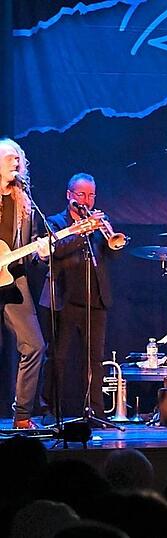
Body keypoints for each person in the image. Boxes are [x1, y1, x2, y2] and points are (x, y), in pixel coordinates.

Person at [39, 173, 118, 420]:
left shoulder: (96, 224)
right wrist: (84, 230)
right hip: (65, 299)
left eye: (91, 195)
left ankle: (96, 412)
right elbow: (58, 250)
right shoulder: (55, 222)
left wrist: (109, 236)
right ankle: (51, 410)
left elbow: (112, 255)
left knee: (94, 361)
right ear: (69, 195)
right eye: (82, 194)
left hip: (96, 301)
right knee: (58, 357)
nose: (87, 200)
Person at [0, 138, 51, 429]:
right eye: (9, 158)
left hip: (13, 280)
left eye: (18, 158)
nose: (15, 163)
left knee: (34, 345)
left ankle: (22, 417)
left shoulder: (26, 204)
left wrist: (42, 253)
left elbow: (29, 252)